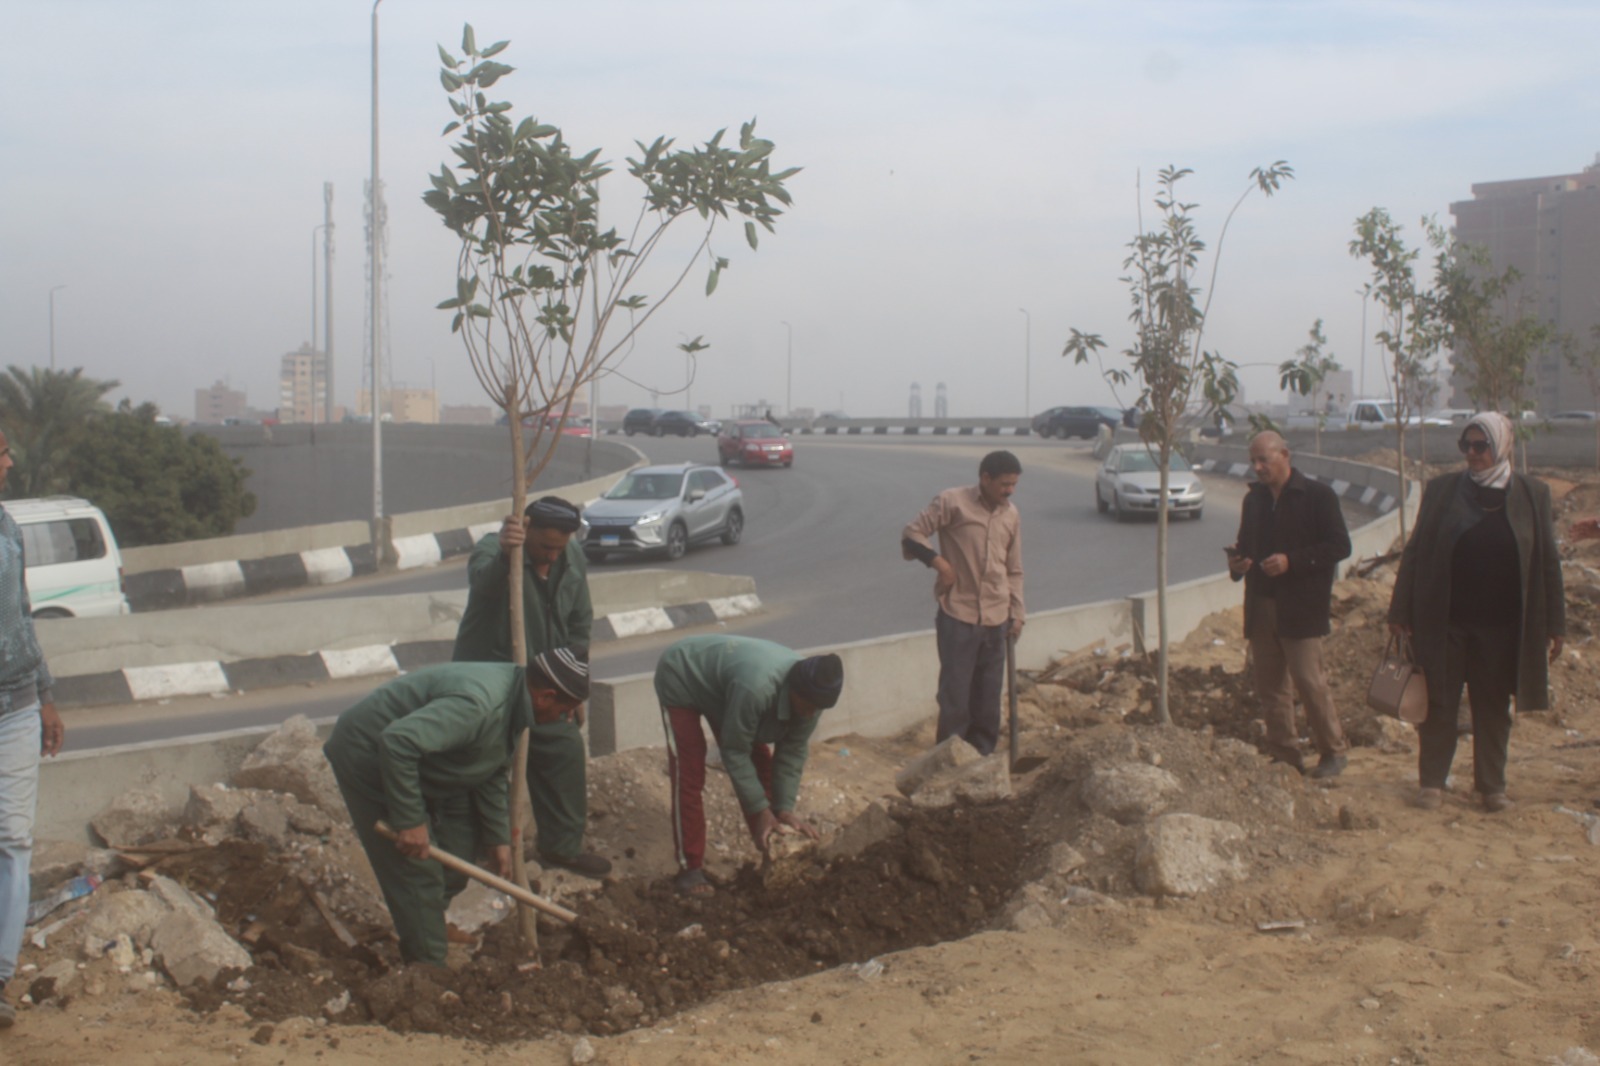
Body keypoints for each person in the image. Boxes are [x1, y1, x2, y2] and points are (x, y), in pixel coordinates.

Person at [323, 646, 589, 966]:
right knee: (416, 868)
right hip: (369, 754)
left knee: (460, 846)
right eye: (567, 709)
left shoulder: (517, 701)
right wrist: (410, 821)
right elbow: (397, 742)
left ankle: (429, 923)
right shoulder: (480, 706)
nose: (569, 717)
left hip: (429, 756)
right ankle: (428, 969)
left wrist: (497, 837)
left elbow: (489, 766)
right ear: (545, 697)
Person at [1388, 412, 1564, 812]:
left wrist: (1555, 624)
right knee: (1439, 705)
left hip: (1502, 629)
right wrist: (1400, 610)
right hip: (1446, 622)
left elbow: (1547, 562)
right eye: (1465, 446)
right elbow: (1415, 552)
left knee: (1493, 708)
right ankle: (1432, 782)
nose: (1472, 453)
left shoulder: (1533, 494)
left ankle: (1491, 786)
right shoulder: (1442, 491)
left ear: (1500, 446)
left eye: (1480, 445)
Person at [452, 496, 609, 878]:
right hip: (491, 681)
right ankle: (477, 851)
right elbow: (482, 584)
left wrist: (573, 685)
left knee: (565, 748)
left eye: (560, 547)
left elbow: (579, 623)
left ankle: (561, 847)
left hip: (545, 688)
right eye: (544, 547)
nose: (553, 556)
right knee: (483, 766)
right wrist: (509, 556)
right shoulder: (495, 549)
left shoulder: (571, 560)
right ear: (526, 529)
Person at [654, 635, 844, 898]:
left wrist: (784, 809)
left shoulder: (814, 698)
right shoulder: (757, 689)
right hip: (683, 674)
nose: (811, 714)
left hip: (725, 688)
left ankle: (776, 845)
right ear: (794, 690)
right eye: (809, 706)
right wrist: (760, 809)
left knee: (760, 762)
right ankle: (690, 868)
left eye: (818, 709)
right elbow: (734, 751)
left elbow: (792, 753)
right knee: (690, 771)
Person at [1227, 431, 1352, 778]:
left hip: (1301, 607)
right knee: (1271, 687)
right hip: (1261, 604)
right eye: (1253, 460)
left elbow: (1339, 546)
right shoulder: (1253, 501)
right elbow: (1244, 544)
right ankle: (1285, 755)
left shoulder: (1317, 497)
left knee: (1309, 682)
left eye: (1264, 459)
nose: (1258, 467)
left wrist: (1292, 562)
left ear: (1285, 455)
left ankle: (1333, 751)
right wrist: (1237, 565)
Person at [0, 429, 64, 1030]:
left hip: (16, 706)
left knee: (14, 841)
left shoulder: (8, 529)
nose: (10, 461)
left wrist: (45, 695)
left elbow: (21, 613)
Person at [901, 450, 1024, 755]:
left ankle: (981, 760)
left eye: (1013, 485)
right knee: (955, 698)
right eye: (1004, 484)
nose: (1009, 491)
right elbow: (911, 535)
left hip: (997, 619)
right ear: (985, 478)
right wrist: (940, 565)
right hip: (958, 616)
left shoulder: (1011, 515)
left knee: (987, 699)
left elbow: (1014, 569)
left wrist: (1017, 613)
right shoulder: (952, 502)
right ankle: (949, 761)